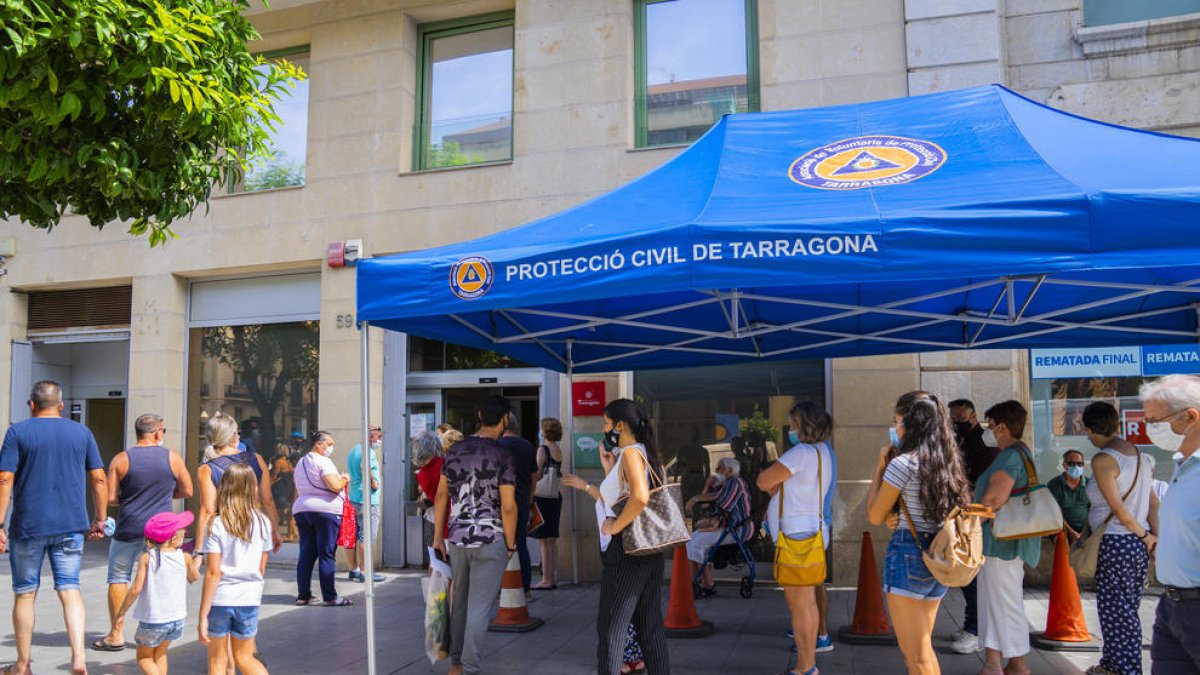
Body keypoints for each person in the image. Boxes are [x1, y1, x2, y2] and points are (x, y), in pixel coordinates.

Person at [0, 380, 107, 675]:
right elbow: (99, 477)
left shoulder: (18, 432)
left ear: (31, 405)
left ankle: (22, 666)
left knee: (25, 594)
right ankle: (78, 660)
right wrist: (99, 519)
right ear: (61, 405)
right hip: (71, 525)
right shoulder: (81, 432)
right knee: (71, 589)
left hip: (29, 525)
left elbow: (5, 479)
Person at [561, 398, 669, 675]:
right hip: (649, 551)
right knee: (650, 628)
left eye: (606, 423)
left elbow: (640, 498)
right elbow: (622, 499)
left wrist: (615, 527)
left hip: (626, 552)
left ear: (620, 425)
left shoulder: (632, 453)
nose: (604, 428)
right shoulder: (645, 453)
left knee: (611, 629)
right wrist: (609, 470)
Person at [867, 391, 971, 675]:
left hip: (907, 553)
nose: (894, 427)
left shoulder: (902, 464)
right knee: (922, 651)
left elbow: (874, 514)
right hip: (937, 555)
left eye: (896, 420)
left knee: (917, 655)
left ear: (911, 424)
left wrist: (879, 467)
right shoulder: (947, 462)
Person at [433, 394, 518, 675]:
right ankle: (469, 668)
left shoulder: (454, 450)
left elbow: (441, 496)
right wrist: (510, 542)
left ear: (480, 414)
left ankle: (456, 665)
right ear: (505, 419)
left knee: (460, 604)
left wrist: (437, 538)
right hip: (491, 538)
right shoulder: (503, 454)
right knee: (479, 608)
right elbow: (508, 506)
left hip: (457, 538)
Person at [95, 414, 194, 652]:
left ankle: (116, 633)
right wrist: (162, 496)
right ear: (158, 433)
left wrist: (130, 499)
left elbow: (110, 498)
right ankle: (158, 630)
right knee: (157, 577)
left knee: (119, 576)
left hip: (129, 526)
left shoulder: (121, 459)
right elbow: (187, 490)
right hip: (161, 532)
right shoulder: (173, 458)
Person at [755, 401, 836, 675]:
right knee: (808, 604)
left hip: (796, 537)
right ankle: (808, 662)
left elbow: (764, 481)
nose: (790, 429)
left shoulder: (800, 453)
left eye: (792, 424)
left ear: (802, 425)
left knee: (800, 606)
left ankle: (805, 666)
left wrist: (772, 481)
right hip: (811, 532)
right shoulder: (822, 451)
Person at [1082, 401, 1158, 675]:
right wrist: (1152, 537)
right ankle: (1113, 664)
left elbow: (1119, 509)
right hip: (1134, 544)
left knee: (1119, 612)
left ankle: (1126, 669)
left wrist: (1146, 536)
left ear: (1090, 429)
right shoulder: (1139, 456)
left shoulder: (1104, 460)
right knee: (1121, 608)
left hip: (1118, 541)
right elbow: (1153, 504)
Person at [1139, 375, 1200, 672]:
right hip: (1172, 604)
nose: (1150, 429)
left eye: (1156, 420)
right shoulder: (1183, 465)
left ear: (1191, 417)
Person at [975, 401, 1041, 675]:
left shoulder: (1010, 457)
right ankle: (994, 662)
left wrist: (966, 524)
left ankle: (1018, 665)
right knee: (994, 601)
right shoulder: (1020, 453)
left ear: (1003, 427)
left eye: (990, 426)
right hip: (1004, 542)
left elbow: (993, 499)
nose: (988, 431)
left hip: (1001, 543)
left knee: (1004, 602)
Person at [198, 463, 272, 675]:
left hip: (222, 598)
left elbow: (213, 572)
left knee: (217, 660)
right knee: (244, 657)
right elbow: (261, 567)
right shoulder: (263, 523)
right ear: (253, 489)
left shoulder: (217, 524)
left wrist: (203, 615)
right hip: (249, 598)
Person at [194, 413, 281, 579]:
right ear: (233, 436)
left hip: (223, 527)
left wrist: (199, 552)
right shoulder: (256, 459)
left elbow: (207, 510)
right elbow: (267, 501)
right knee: (255, 576)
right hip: (253, 525)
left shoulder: (206, 469)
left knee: (222, 579)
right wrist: (275, 529)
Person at [113, 511, 196, 675]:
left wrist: (121, 613)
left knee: (144, 658)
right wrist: (196, 562)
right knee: (160, 653)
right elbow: (194, 577)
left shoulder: (147, 557)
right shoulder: (185, 557)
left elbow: (136, 588)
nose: (184, 536)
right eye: (183, 534)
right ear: (173, 538)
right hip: (177, 619)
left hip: (154, 620)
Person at [947, 398, 999, 655]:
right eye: (953, 419)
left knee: (972, 573)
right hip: (961, 511)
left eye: (961, 418)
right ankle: (971, 622)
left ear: (974, 415)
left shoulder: (985, 442)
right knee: (966, 573)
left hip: (976, 514)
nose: (957, 423)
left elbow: (985, 481)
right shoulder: (958, 440)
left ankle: (976, 629)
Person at [292, 431, 351, 606]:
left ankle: (303, 595)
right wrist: (344, 479)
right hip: (326, 512)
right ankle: (331, 597)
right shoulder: (323, 461)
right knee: (326, 554)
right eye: (329, 444)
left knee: (306, 554)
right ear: (319, 444)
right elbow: (334, 486)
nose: (331, 447)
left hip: (303, 509)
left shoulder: (301, 462)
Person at [685, 457, 752, 597]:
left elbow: (722, 504)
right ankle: (704, 583)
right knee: (691, 541)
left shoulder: (735, 482)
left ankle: (704, 584)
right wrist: (706, 487)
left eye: (720, 467)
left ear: (730, 470)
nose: (716, 470)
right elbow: (705, 505)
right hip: (725, 526)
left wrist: (695, 499)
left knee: (696, 543)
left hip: (738, 528)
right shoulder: (724, 485)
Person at [499, 413, 539, 600]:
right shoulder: (527, 446)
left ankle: (502, 588)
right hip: (522, 501)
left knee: (500, 546)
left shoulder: (496, 446)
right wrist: (530, 497)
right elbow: (533, 476)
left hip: (500, 503)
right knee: (521, 544)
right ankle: (526, 587)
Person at [345, 425, 384, 583]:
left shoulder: (353, 450)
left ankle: (353, 569)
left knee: (352, 536)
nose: (379, 440)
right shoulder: (368, 452)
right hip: (368, 500)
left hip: (354, 497)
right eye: (378, 437)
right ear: (370, 437)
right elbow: (365, 467)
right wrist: (374, 483)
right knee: (366, 537)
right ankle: (364, 571)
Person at [530, 417, 564, 590]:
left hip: (542, 497)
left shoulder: (543, 449)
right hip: (554, 497)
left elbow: (536, 473)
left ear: (544, 431)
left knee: (544, 541)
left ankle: (545, 579)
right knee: (551, 541)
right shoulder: (558, 449)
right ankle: (552, 577)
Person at [412, 432, 446, 552]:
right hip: (448, 521)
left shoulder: (422, 474)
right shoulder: (443, 464)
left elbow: (421, 489)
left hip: (431, 518)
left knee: (434, 557)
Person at [1047, 449, 1090, 543]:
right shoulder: (1054, 484)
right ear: (1064, 465)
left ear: (1083, 466)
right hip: (1062, 529)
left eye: (1079, 463)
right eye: (1071, 463)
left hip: (1086, 529)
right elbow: (1055, 513)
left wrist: (1083, 533)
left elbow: (1094, 510)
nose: (1076, 467)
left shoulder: (1090, 484)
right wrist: (1071, 532)